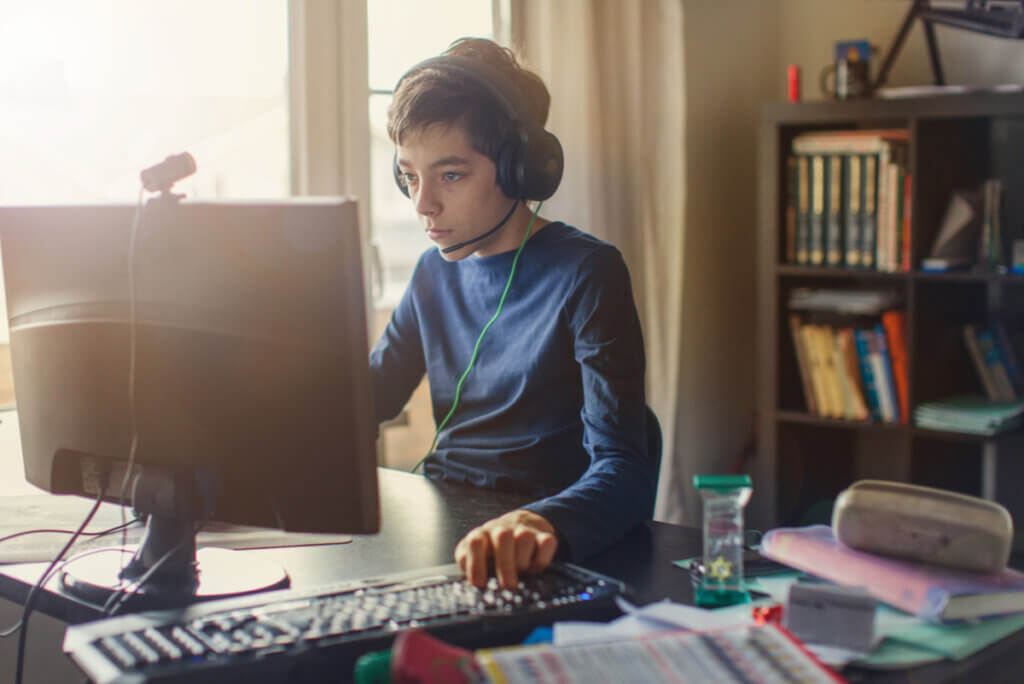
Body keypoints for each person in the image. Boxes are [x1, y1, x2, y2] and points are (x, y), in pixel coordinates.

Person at [369, 37, 656, 590]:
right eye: (410, 176)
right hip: (441, 533)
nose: (422, 203)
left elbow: (626, 472)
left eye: (450, 175)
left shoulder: (587, 272)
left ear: (522, 170)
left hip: (530, 547)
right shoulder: (432, 273)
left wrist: (539, 521)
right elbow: (363, 403)